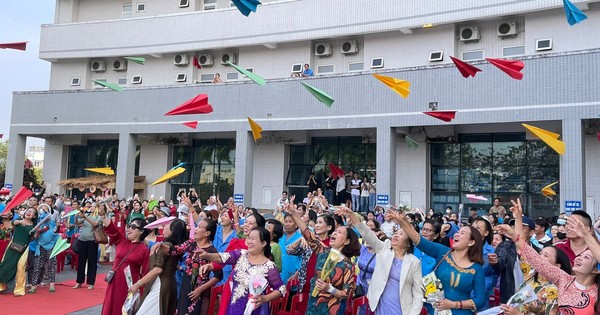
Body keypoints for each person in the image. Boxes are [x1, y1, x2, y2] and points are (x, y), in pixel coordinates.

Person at [495, 199, 600, 314]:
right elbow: (531, 256)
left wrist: (586, 235)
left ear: (596, 269)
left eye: (586, 257)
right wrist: (515, 234)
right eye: (568, 224)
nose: (578, 258)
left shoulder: (596, 292)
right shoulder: (563, 279)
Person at [391, 208, 487, 314]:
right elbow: (419, 240)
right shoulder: (442, 252)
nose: (456, 234)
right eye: (457, 232)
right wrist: (402, 221)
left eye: (462, 233)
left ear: (471, 242)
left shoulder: (476, 269)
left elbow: (480, 300)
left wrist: (454, 304)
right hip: (436, 311)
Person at [336, 206, 423, 314]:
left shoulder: (414, 262)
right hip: (380, 307)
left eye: (401, 234)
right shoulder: (385, 249)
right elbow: (367, 234)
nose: (396, 235)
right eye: (396, 232)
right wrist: (352, 215)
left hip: (402, 310)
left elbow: (418, 293)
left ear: (409, 242)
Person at [284, 197, 361, 315]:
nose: (334, 233)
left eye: (340, 232)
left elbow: (347, 293)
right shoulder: (322, 251)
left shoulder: (348, 265)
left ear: (346, 241)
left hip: (331, 309)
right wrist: (294, 213)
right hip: (313, 306)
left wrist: (329, 288)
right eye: (335, 231)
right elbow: (306, 232)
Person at [197, 227, 285, 315]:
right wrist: (207, 255)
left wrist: (265, 298)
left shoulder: (268, 266)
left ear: (264, 243)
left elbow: (281, 289)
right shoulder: (241, 254)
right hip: (233, 306)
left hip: (253, 309)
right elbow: (222, 257)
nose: (249, 242)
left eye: (253, 239)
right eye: (249, 238)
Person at [162, 218, 222, 315]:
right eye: (197, 226)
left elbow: (218, 275)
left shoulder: (211, 251)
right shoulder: (191, 243)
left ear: (207, 233)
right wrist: (159, 245)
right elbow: (175, 250)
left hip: (200, 292)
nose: (196, 229)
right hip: (185, 286)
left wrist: (200, 289)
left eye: (200, 227)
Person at [132, 219, 188, 315]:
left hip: (160, 285)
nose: (164, 228)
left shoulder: (165, 247)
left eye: (167, 226)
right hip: (169, 284)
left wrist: (138, 284)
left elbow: (157, 269)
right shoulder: (172, 247)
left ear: (172, 231)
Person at [100, 216, 150, 315]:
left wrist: (141, 290)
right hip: (115, 282)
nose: (129, 229)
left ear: (141, 231)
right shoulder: (122, 240)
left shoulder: (144, 249)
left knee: (124, 310)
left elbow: (145, 272)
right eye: (129, 226)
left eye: (133, 227)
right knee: (110, 307)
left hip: (130, 286)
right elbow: (111, 230)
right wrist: (103, 214)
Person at [0, 208, 36, 295]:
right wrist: (20, 222)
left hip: (24, 248)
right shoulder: (19, 220)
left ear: (34, 216)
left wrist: (37, 232)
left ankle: (19, 290)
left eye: (32, 212)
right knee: (5, 264)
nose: (29, 212)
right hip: (12, 246)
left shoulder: (34, 226)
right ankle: (1, 285)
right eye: (28, 211)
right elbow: (13, 223)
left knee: (21, 267)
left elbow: (33, 237)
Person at [28, 203, 59, 293]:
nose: (43, 211)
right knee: (37, 266)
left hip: (50, 246)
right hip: (40, 246)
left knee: (51, 265)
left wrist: (56, 225)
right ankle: (34, 286)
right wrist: (37, 232)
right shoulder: (37, 222)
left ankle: (52, 284)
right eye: (41, 209)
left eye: (45, 210)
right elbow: (34, 237)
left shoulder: (52, 222)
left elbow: (55, 234)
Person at [73, 204, 102, 289]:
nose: (92, 208)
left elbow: (95, 224)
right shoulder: (87, 215)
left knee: (92, 262)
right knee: (81, 261)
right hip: (82, 240)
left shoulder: (98, 217)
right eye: (91, 206)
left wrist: (85, 217)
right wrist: (76, 217)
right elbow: (77, 223)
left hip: (92, 241)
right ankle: (79, 281)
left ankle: (91, 282)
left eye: (94, 206)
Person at [279, 214, 302, 284]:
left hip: (294, 275)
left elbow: (303, 258)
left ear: (296, 225)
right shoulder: (281, 238)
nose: (287, 224)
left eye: (290, 222)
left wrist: (297, 272)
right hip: (281, 276)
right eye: (286, 222)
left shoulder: (300, 238)